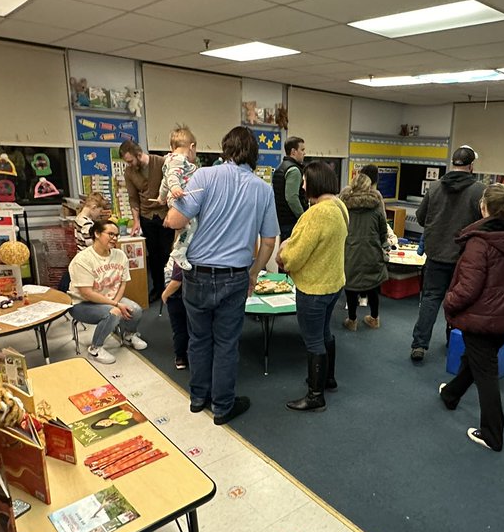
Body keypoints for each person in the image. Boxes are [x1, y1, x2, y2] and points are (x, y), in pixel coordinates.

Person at [166, 126, 278, 426]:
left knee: (199, 338)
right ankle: (223, 406)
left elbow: (174, 219)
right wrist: (255, 273)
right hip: (235, 276)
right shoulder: (263, 189)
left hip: (197, 274)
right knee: (227, 343)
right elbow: (269, 241)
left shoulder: (202, 176)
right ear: (253, 154)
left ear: (224, 148)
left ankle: (198, 398)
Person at [438, 185, 504, 452]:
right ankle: (451, 394)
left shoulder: (480, 241)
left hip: (481, 317)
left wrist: (449, 301)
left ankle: (493, 434)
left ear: (484, 208)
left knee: (485, 371)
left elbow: (468, 287)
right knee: (476, 360)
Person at [279, 161, 349, 412]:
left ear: (316, 182)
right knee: (325, 333)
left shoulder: (316, 213)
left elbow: (294, 257)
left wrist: (284, 250)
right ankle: (327, 379)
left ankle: (315, 395)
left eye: (305, 181)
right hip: (333, 284)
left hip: (314, 288)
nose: (303, 186)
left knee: (313, 340)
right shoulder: (340, 207)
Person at [410, 146, 485, 362]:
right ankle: (454, 341)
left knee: (431, 298)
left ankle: (419, 345)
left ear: (453, 163)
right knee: (460, 301)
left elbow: (422, 218)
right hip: (464, 256)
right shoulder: (479, 190)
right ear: (471, 166)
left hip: (435, 254)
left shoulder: (434, 188)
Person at [67, 220, 148, 364]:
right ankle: (95, 349)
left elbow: (122, 283)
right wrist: (115, 305)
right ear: (97, 234)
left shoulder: (120, 255)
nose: (115, 238)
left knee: (135, 309)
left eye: (116, 235)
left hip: (110, 299)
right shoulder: (82, 260)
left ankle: (129, 335)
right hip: (82, 304)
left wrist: (116, 302)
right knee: (113, 312)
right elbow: (87, 293)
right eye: (110, 234)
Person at [119, 139, 171, 303]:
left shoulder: (161, 162)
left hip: (166, 215)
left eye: (130, 161)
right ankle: (157, 288)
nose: (129, 164)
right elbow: (133, 199)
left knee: (167, 254)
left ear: (139, 154)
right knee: (154, 256)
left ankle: (171, 289)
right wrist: (136, 222)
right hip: (147, 216)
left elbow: (173, 185)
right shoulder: (129, 173)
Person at [340, 164, 388, 332]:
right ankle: (374, 318)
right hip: (372, 251)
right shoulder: (376, 204)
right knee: (373, 286)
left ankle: (352, 320)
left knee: (351, 287)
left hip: (350, 251)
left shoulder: (344, 205)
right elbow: (383, 230)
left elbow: (339, 228)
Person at [159, 125, 200, 270]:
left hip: (173, 198)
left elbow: (164, 182)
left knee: (184, 227)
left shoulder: (168, 161)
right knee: (192, 224)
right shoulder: (179, 160)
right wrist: (176, 188)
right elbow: (173, 177)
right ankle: (180, 252)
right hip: (179, 198)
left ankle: (176, 255)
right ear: (192, 147)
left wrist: (161, 197)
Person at [273, 136, 307, 241]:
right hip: (291, 222)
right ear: (293, 151)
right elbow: (292, 198)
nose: (304, 153)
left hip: (282, 219)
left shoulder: (280, 167)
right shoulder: (294, 170)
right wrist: (303, 217)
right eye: (302, 150)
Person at [160, 260, 188, 370]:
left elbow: (175, 282)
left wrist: (165, 294)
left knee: (179, 329)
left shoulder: (176, 259)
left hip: (176, 298)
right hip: (193, 297)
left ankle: (180, 357)